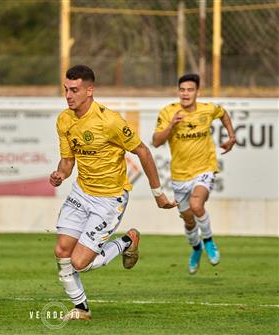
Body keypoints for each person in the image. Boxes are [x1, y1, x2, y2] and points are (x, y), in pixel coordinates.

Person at [50, 65, 176, 320]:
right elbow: (67, 161)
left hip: (109, 199)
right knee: (62, 253)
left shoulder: (110, 121)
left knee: (79, 263)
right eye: (66, 89)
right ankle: (81, 309)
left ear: (89, 90)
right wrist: (60, 174)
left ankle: (127, 241)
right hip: (81, 192)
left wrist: (158, 194)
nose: (68, 95)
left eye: (74, 90)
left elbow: (143, 152)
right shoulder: (64, 120)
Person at [152, 73, 236, 275]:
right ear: (178, 91)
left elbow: (223, 114)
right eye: (182, 90)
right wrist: (171, 124)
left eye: (190, 90)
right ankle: (196, 248)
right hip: (180, 175)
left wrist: (231, 136)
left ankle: (208, 241)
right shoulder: (168, 112)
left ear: (197, 92)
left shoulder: (207, 109)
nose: (185, 93)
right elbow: (156, 141)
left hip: (204, 168)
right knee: (188, 220)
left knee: (197, 205)